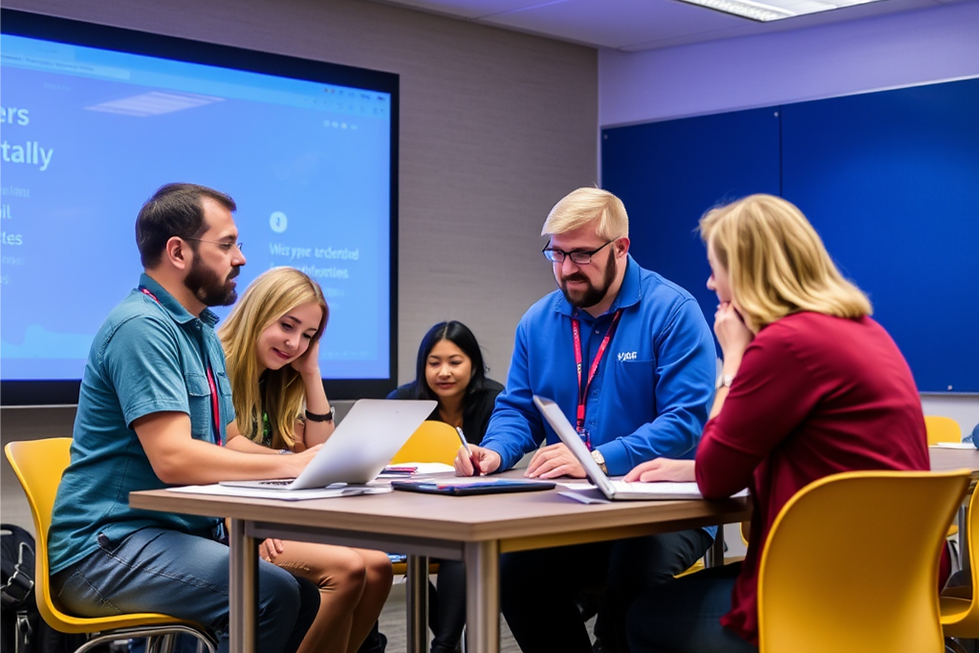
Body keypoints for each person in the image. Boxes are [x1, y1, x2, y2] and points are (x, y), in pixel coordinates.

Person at [624, 194, 931, 653]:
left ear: (745, 271)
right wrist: (692, 466)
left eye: (715, 269)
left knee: (642, 616)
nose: (709, 284)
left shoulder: (785, 345)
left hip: (816, 594)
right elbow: (812, 450)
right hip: (893, 586)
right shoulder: (865, 329)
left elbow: (714, 480)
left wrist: (732, 360)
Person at [47, 183, 321, 653]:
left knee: (303, 596)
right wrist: (291, 466)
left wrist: (312, 460)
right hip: (104, 548)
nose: (241, 258)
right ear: (177, 251)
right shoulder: (142, 327)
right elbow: (173, 458)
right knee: (269, 595)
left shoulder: (200, 333)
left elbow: (228, 440)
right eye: (228, 244)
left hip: (167, 535)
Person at [454, 187, 718, 653]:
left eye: (581, 254)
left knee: (633, 575)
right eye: (556, 253)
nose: (567, 268)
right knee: (514, 573)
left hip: (661, 509)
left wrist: (596, 458)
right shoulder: (538, 321)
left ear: (621, 247)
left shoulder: (673, 312)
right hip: (577, 508)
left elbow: (684, 422)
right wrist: (493, 451)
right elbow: (519, 409)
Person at [219, 266, 394, 653]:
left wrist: (311, 372)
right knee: (348, 570)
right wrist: (287, 459)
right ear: (258, 311)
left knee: (378, 567)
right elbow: (224, 449)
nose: (295, 342)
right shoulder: (218, 365)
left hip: (271, 512)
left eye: (309, 335)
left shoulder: (281, 375)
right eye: (288, 325)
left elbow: (320, 450)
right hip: (228, 517)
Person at [388, 321, 504, 653]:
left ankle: (443, 644)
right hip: (416, 514)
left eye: (455, 362)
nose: (444, 372)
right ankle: (447, 644)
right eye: (434, 362)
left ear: (473, 364)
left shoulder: (495, 400)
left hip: (476, 515)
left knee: (462, 543)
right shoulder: (403, 401)